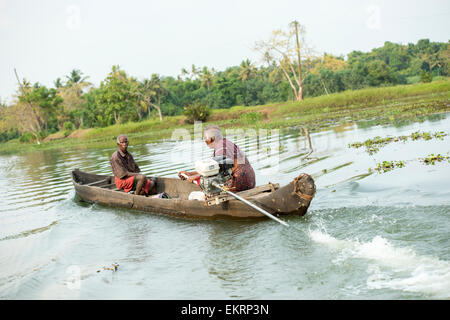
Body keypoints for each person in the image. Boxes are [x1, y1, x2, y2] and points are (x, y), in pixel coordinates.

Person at [178, 125, 255, 193]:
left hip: (240, 181)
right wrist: (189, 174)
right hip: (249, 181)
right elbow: (211, 168)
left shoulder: (221, 147)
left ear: (212, 138)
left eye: (205, 138)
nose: (205, 141)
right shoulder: (223, 144)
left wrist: (195, 177)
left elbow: (216, 169)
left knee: (209, 188)